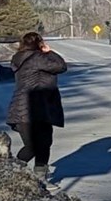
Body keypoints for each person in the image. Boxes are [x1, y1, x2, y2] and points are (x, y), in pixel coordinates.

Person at [8, 32, 67, 183]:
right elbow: (61, 66)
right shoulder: (38, 58)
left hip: (20, 108)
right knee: (39, 145)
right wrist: (49, 51)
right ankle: (16, 173)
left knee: (37, 145)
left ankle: (16, 173)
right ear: (38, 43)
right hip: (38, 108)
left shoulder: (18, 58)